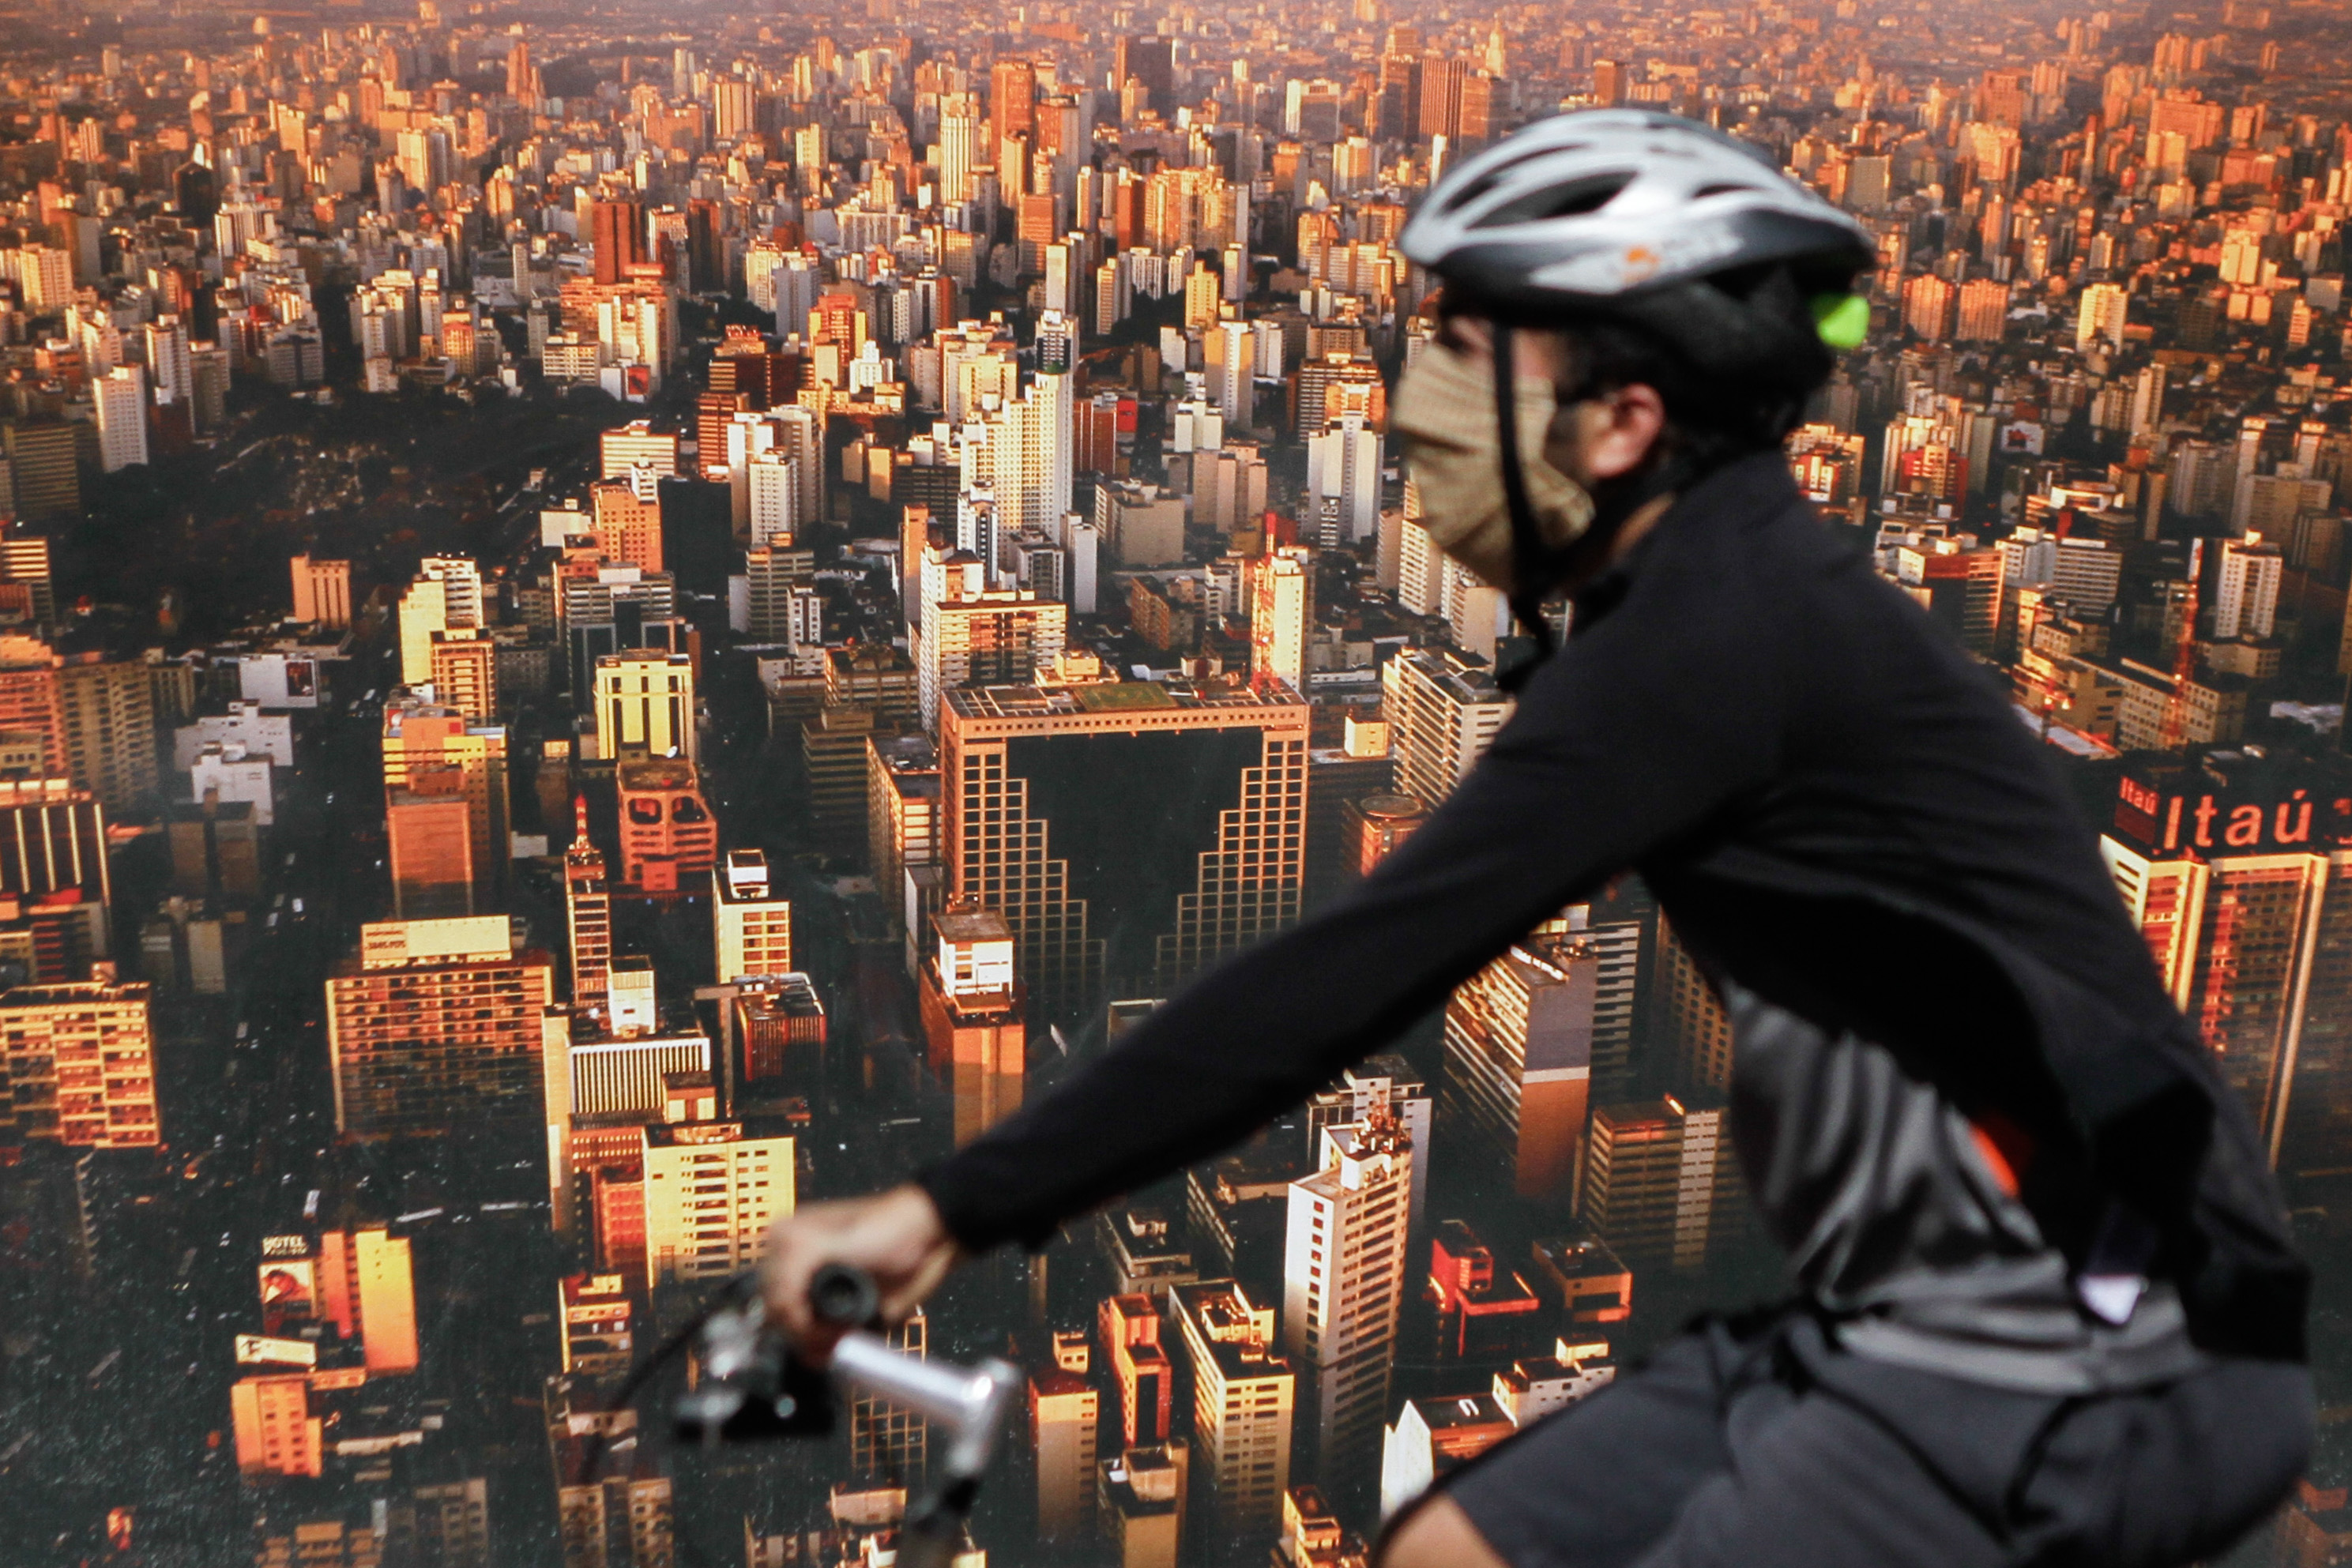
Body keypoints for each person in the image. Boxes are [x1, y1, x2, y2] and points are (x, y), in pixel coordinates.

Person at [763, 111, 2312, 1567]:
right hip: (1906, 1324)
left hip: (2104, 1345)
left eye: (1469, 373)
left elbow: (1347, 973)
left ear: (1628, 421)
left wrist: (949, 1207)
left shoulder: (1716, 640)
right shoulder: (1700, 606)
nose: (1421, 413)